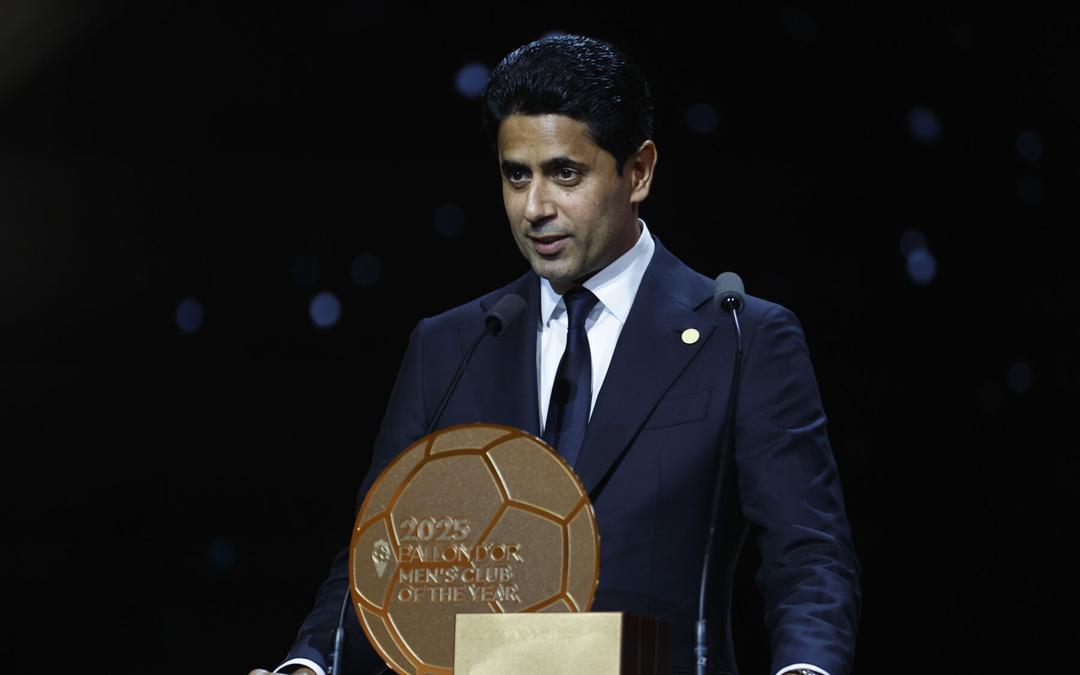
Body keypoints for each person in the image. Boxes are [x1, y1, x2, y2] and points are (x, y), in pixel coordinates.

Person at [250, 33, 860, 675]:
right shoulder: (452, 345)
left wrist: (808, 669)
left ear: (640, 171)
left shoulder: (740, 339)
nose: (536, 208)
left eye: (565, 173)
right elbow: (378, 555)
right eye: (517, 176)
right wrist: (307, 665)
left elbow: (809, 558)